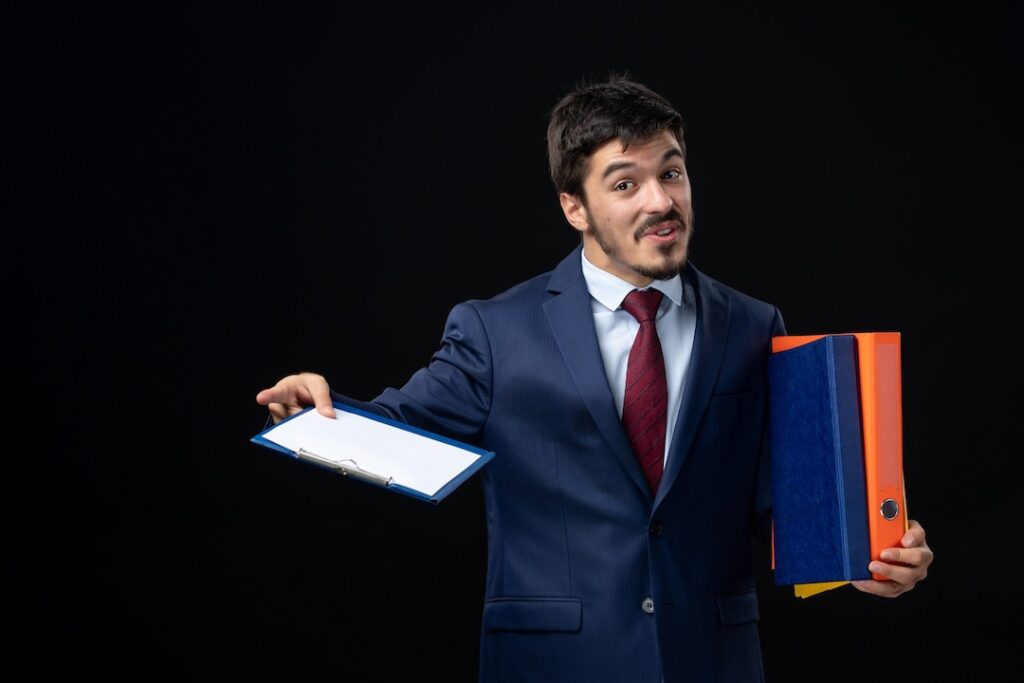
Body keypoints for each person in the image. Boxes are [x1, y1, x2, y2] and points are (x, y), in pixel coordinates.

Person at [255, 74, 933, 682]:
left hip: (710, 659)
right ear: (574, 207)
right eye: (625, 183)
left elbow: (780, 500)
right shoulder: (496, 331)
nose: (660, 201)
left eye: (672, 172)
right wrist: (310, 413)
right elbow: (399, 429)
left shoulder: (755, 324)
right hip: (554, 662)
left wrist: (876, 555)